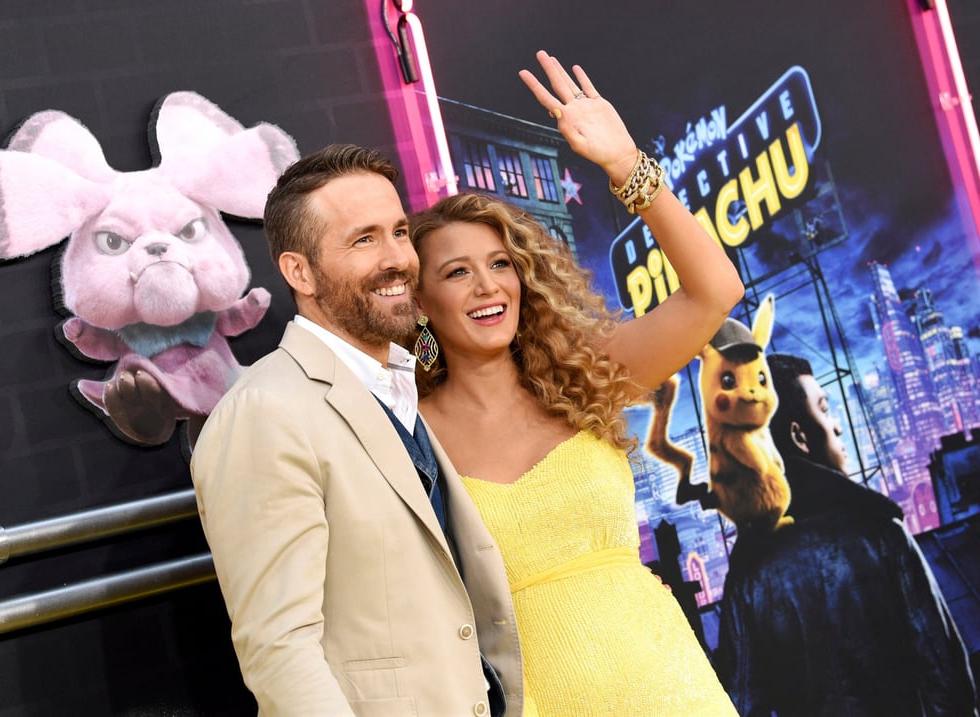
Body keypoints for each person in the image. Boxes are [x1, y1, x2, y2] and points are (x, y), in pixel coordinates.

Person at [407, 50, 745, 716]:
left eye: (500, 263)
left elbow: (715, 293)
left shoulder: (581, 376)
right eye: (456, 273)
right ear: (419, 303)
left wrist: (628, 167)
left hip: (668, 686)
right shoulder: (409, 435)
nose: (487, 286)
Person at [190, 143, 524, 716]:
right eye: (364, 239)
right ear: (300, 271)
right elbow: (279, 651)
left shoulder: (400, 381)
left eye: (398, 231)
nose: (397, 257)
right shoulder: (266, 411)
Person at [714, 352, 979, 716]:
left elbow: (739, 704)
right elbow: (948, 683)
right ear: (799, 436)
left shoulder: (748, 573)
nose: (837, 426)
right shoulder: (882, 533)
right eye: (824, 409)